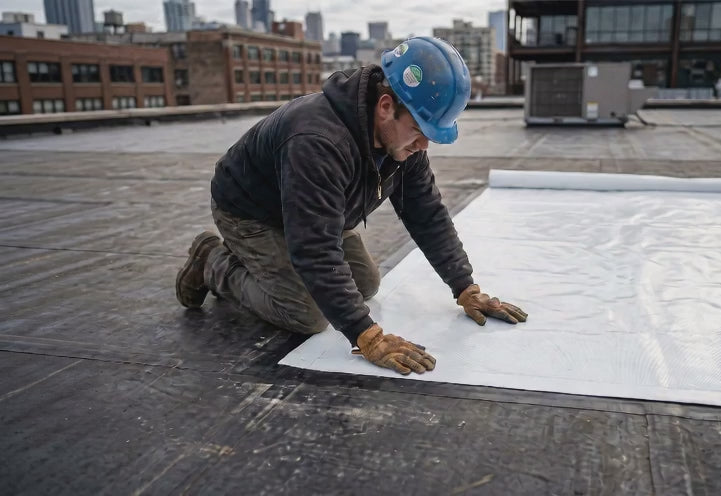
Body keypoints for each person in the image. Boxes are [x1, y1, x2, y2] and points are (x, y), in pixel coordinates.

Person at [175, 36, 526, 375]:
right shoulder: (317, 140)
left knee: (365, 284)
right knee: (307, 314)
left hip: (314, 210)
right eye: (420, 131)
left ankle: (262, 263)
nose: (424, 146)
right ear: (386, 107)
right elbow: (315, 249)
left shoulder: (405, 144)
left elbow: (427, 214)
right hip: (251, 211)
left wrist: (465, 287)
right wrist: (367, 337)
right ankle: (213, 261)